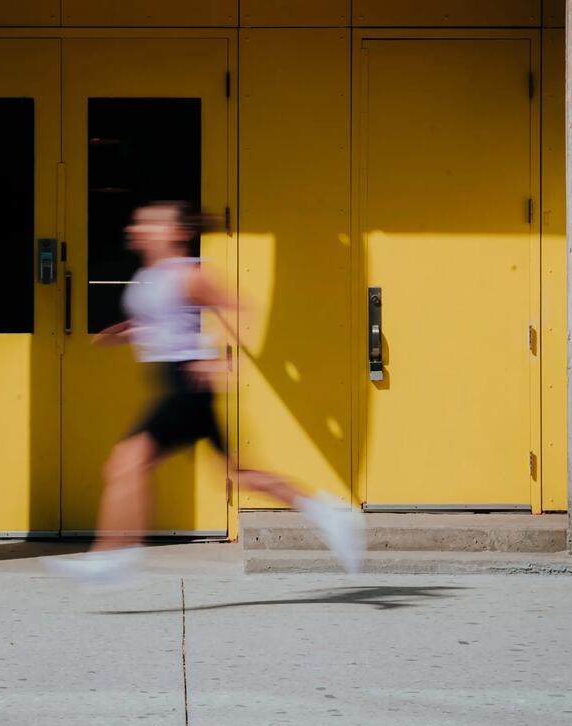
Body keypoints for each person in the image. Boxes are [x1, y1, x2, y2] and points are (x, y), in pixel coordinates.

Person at [43, 201, 364, 582]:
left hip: (187, 386)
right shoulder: (155, 274)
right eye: (139, 223)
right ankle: (327, 513)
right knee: (238, 473)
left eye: (151, 223)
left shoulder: (190, 274)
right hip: (178, 383)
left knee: (125, 462)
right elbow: (164, 323)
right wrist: (126, 332)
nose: (139, 228)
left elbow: (243, 309)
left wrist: (220, 361)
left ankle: (114, 555)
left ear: (177, 233)